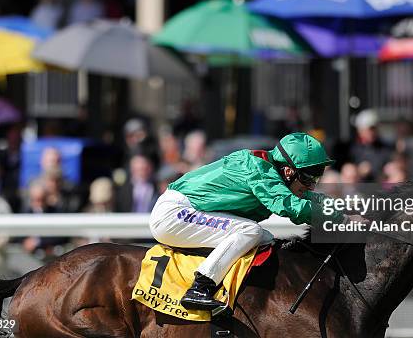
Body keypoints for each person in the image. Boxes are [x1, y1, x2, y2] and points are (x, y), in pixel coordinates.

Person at [149, 132, 366, 311]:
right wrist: (342, 219)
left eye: (316, 181)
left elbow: (307, 198)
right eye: (308, 180)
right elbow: (289, 205)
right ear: (289, 171)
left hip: (187, 211)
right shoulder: (259, 170)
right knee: (250, 231)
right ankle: (200, 287)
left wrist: (345, 212)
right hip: (175, 214)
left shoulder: (273, 171)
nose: (311, 187)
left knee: (265, 238)